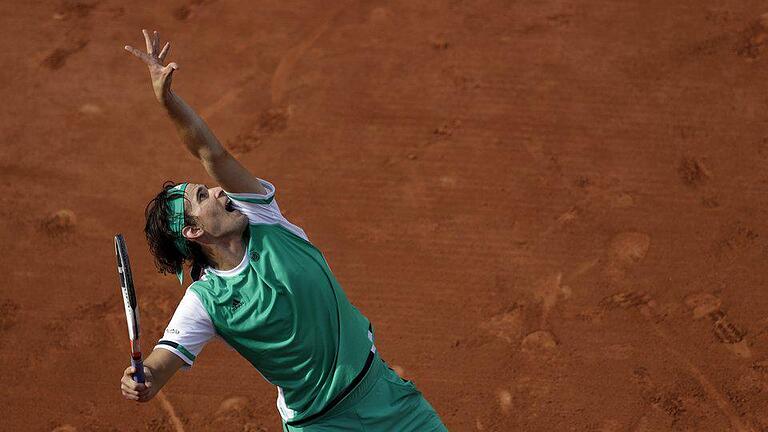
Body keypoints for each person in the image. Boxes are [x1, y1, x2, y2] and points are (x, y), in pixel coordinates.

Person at [119, 30, 447, 431]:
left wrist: (167, 101)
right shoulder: (206, 302)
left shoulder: (260, 214)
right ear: (192, 231)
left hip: (386, 396)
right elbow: (162, 360)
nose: (219, 191)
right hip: (320, 425)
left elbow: (212, 152)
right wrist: (145, 379)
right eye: (203, 197)